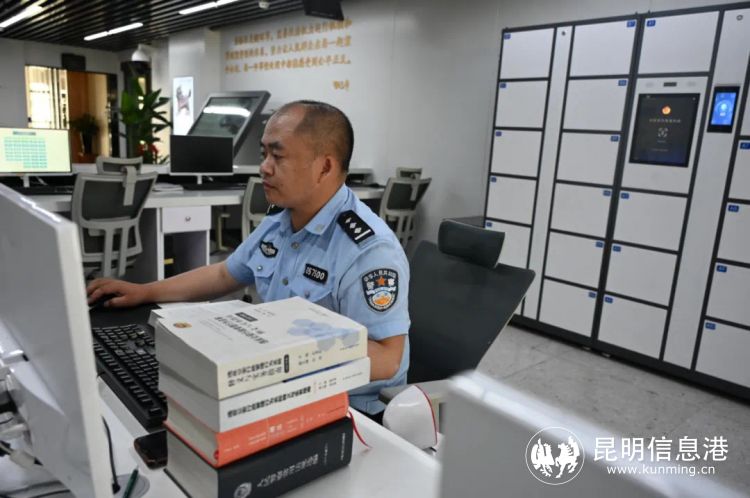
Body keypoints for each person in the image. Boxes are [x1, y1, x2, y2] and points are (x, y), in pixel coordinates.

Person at [86, 100, 409, 416]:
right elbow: (224, 274)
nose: (264, 167)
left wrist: (280, 350)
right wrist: (145, 291)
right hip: (281, 386)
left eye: (278, 156)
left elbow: (387, 360)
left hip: (347, 410)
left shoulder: (368, 249)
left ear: (324, 167)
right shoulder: (281, 220)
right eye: (263, 154)